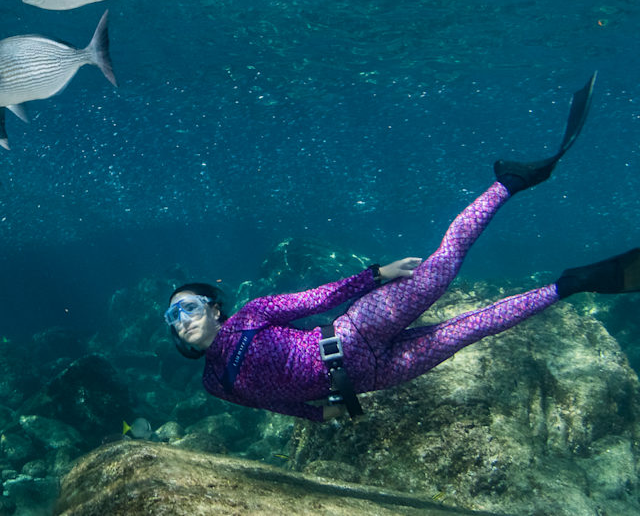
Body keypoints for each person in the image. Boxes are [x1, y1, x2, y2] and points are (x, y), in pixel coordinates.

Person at [165, 74, 640, 421]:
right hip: (375, 377)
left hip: (354, 333)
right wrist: (325, 416)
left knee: (443, 268)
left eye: (184, 307)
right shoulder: (214, 384)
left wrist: (376, 275)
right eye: (172, 318)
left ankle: (510, 182)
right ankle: (574, 284)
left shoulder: (251, 315)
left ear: (213, 307)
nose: (180, 321)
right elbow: (278, 403)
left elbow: (317, 299)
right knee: (471, 328)